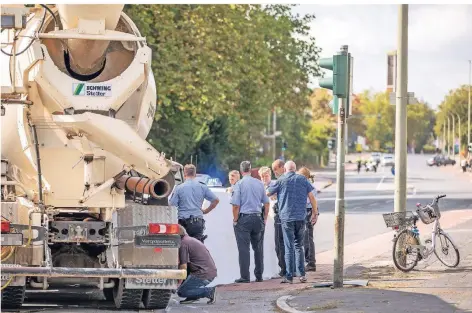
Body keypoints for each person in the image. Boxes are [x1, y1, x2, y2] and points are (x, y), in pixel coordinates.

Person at [267, 161, 318, 284]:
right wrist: (315, 212)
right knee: (298, 246)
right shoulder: (303, 179)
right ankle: (301, 275)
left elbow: (268, 192)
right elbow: (311, 197)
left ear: (285, 169)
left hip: (286, 218)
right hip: (301, 217)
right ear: (294, 169)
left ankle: (289, 276)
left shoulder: (281, 180)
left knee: (289, 247)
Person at [231, 161, 270, 283]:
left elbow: (236, 205)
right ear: (251, 169)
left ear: (241, 171)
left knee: (244, 249)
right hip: (258, 217)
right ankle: (259, 275)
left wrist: (235, 219)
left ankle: (245, 276)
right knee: (258, 248)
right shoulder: (259, 183)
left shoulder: (239, 184)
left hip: (244, 218)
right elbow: (267, 203)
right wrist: (264, 217)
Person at [170, 164, 220, 243]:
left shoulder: (179, 188)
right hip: (197, 223)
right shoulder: (202, 187)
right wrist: (206, 211)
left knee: (182, 247)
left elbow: (172, 205)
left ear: (184, 173)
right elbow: (216, 200)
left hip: (183, 224)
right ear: (195, 174)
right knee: (197, 249)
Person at [177, 225, 217, 305]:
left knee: (181, 292)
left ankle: (209, 291)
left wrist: (178, 283)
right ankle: (193, 296)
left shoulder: (183, 244)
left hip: (203, 274)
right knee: (186, 287)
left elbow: (183, 267)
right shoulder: (190, 240)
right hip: (208, 272)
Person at [297, 167, 318, 272]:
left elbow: (309, 200)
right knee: (306, 237)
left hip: (308, 211)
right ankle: (308, 261)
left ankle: (310, 262)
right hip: (307, 211)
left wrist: (315, 213)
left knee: (307, 238)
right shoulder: (306, 185)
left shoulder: (309, 186)